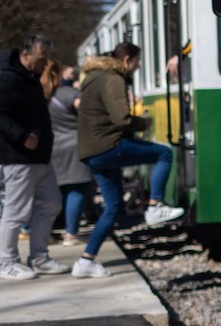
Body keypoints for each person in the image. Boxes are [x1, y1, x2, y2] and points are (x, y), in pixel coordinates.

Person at [74, 42, 183, 278]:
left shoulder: (94, 77)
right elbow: (121, 119)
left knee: (112, 208)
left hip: (92, 152)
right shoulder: (113, 78)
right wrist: (143, 122)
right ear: (126, 61)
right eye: (137, 61)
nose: (138, 66)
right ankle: (155, 206)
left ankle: (85, 262)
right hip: (109, 146)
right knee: (163, 153)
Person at [0, 35, 67, 280]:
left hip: (40, 157)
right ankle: (8, 263)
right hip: (19, 157)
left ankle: (39, 257)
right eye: (41, 60)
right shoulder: (8, 79)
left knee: (51, 204)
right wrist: (22, 136)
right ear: (25, 53)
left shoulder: (30, 78)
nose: (45, 65)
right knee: (16, 210)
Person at [48, 59, 92, 246]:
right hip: (74, 145)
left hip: (52, 147)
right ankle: (71, 233)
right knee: (77, 189)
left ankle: (50, 230)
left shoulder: (42, 96)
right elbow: (87, 111)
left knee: (58, 190)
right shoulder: (69, 94)